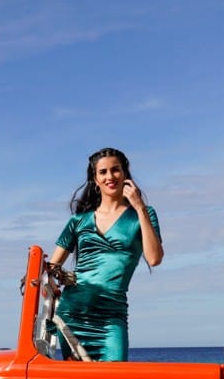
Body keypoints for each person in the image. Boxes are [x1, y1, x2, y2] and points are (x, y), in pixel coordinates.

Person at [47, 147, 163, 361]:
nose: (110, 176)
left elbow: (154, 258)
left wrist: (139, 207)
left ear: (125, 173)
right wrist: (60, 279)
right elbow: (51, 268)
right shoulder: (78, 221)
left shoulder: (144, 214)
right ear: (95, 179)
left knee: (114, 378)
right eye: (103, 172)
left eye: (115, 170)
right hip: (73, 314)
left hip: (112, 318)